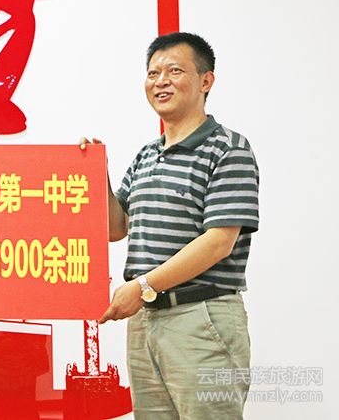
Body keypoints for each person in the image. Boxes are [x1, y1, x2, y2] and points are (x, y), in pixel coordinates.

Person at [82, 32, 260, 419]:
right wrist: (97, 173)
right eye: (153, 73)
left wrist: (143, 286)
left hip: (200, 319)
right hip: (145, 320)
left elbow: (219, 242)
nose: (160, 81)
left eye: (174, 71)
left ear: (206, 80)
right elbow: (116, 227)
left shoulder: (228, 149)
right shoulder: (146, 155)